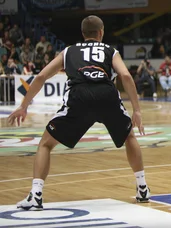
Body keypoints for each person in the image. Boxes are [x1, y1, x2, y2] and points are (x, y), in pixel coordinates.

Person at [4, 15, 149, 210]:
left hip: (79, 97)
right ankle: (142, 189)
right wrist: (137, 110)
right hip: (107, 95)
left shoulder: (68, 51)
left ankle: (36, 194)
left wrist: (24, 106)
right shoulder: (110, 50)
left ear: (83, 34)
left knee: (46, 144)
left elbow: (41, 76)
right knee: (129, 136)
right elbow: (125, 75)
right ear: (101, 33)